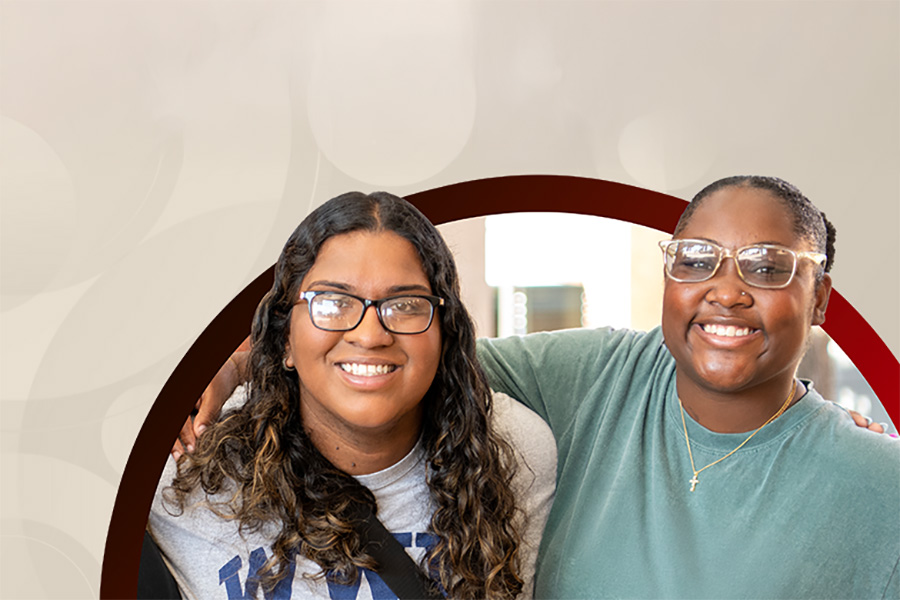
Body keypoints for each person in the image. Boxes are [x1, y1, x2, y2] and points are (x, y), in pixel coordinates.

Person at [186, 176, 899, 598]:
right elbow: (392, 354)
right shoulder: (593, 379)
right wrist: (228, 364)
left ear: (823, 299)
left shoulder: (879, 483)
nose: (727, 293)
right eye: (697, 259)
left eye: (769, 267)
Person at [148, 192, 557, 599]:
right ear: (284, 336)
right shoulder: (188, 463)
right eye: (332, 302)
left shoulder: (512, 452)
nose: (370, 334)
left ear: (445, 331)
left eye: (405, 304)